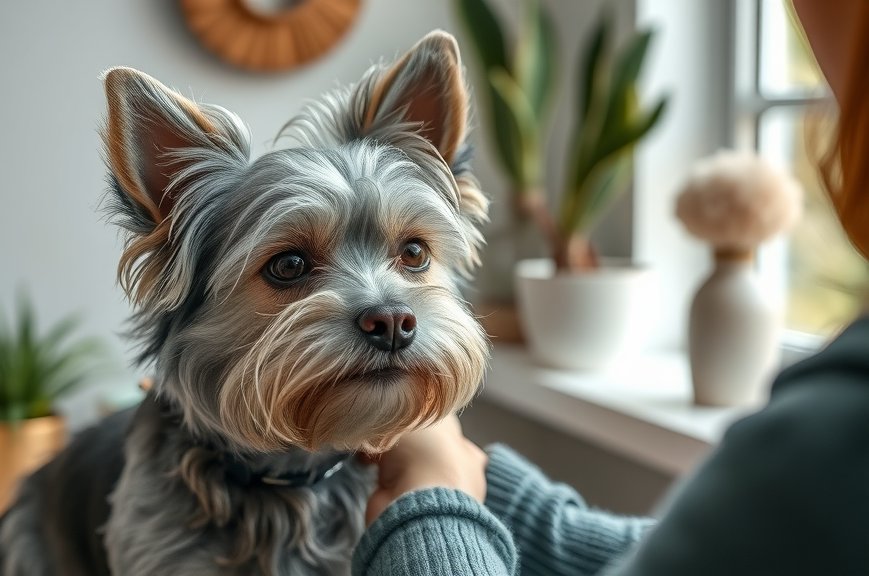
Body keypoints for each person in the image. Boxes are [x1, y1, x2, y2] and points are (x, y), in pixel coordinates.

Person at [352, 1, 869, 574]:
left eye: (414, 253)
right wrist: (485, 487)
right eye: (292, 266)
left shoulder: (846, 424)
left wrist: (427, 499)